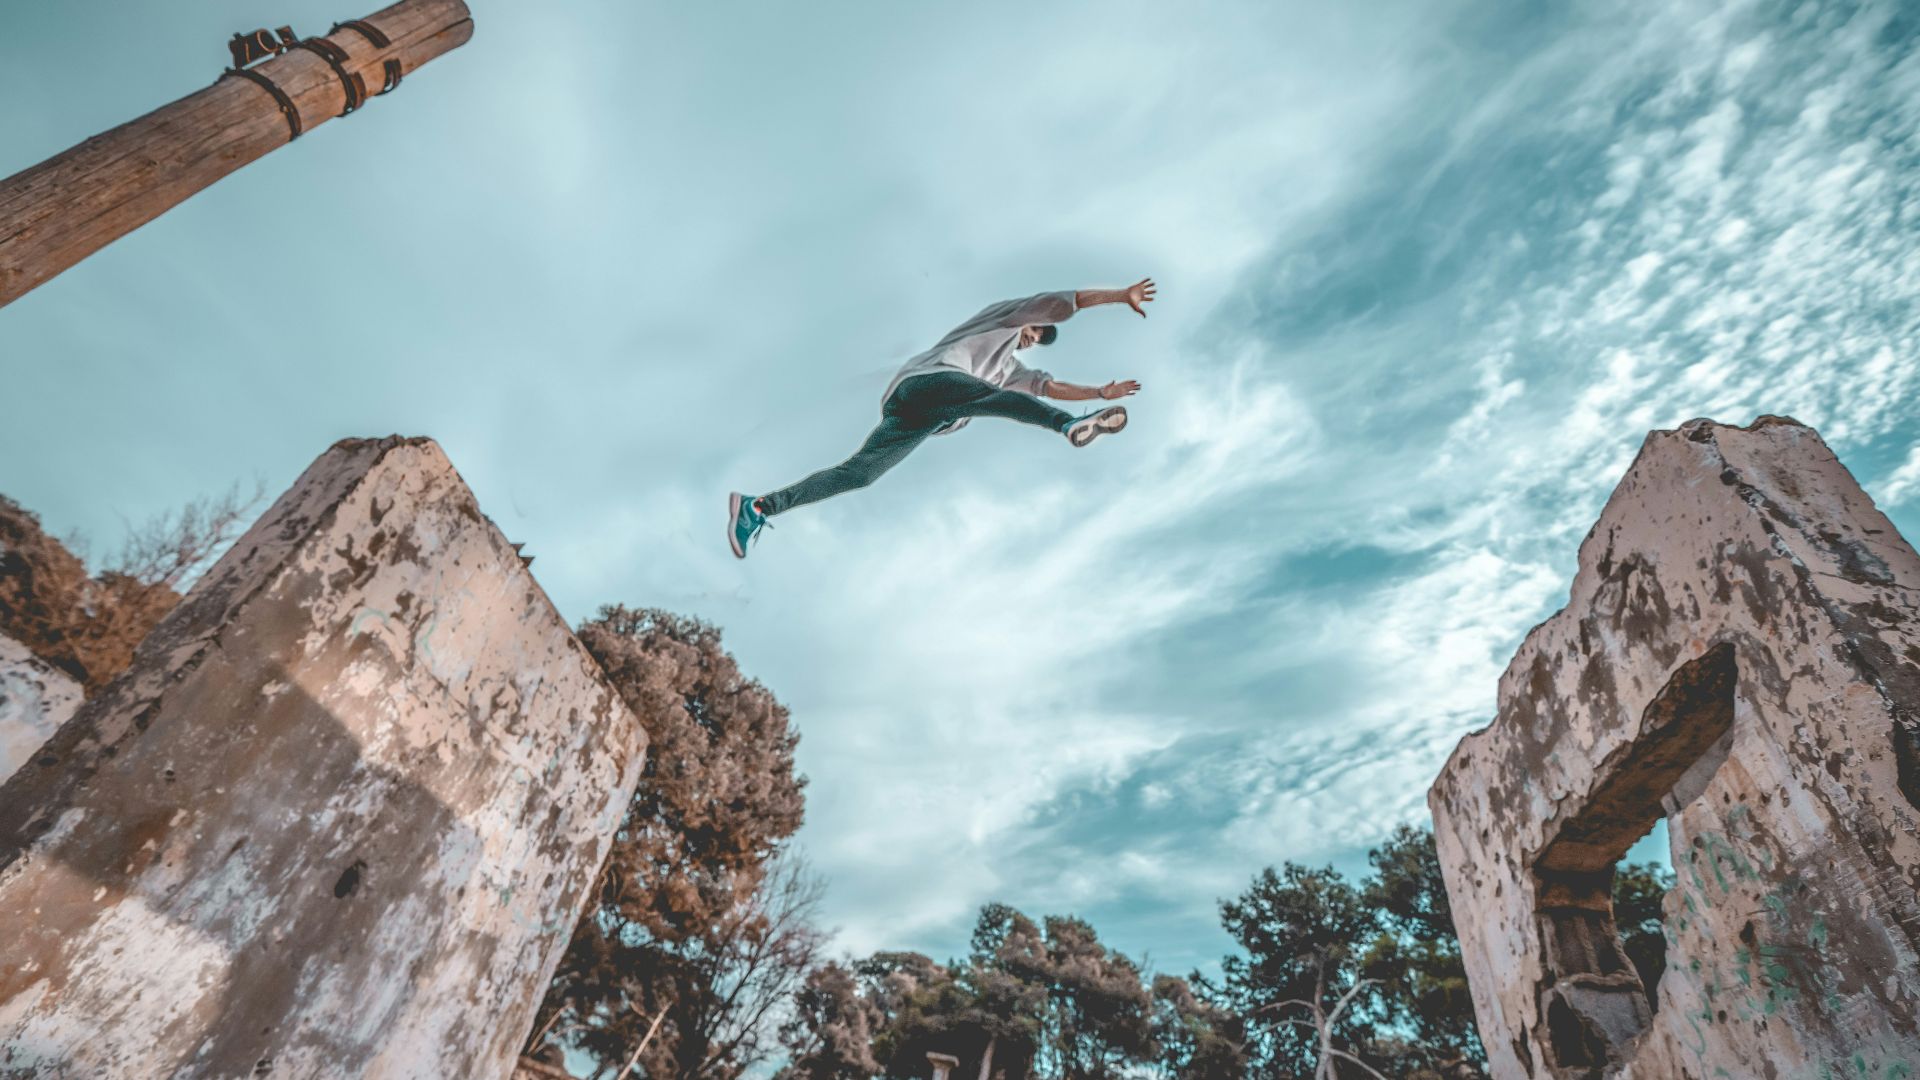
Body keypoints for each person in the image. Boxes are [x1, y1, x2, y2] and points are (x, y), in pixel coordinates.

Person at [728, 278, 1156, 558]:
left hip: (918, 415)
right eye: (1035, 329)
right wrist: (1119, 296)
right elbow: (1062, 302)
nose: (1030, 337)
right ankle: (1066, 425)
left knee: (860, 474)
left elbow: (1047, 386)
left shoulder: (1011, 370)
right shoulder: (1005, 318)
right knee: (989, 399)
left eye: (1036, 337)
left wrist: (1100, 392)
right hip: (929, 383)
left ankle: (758, 507)